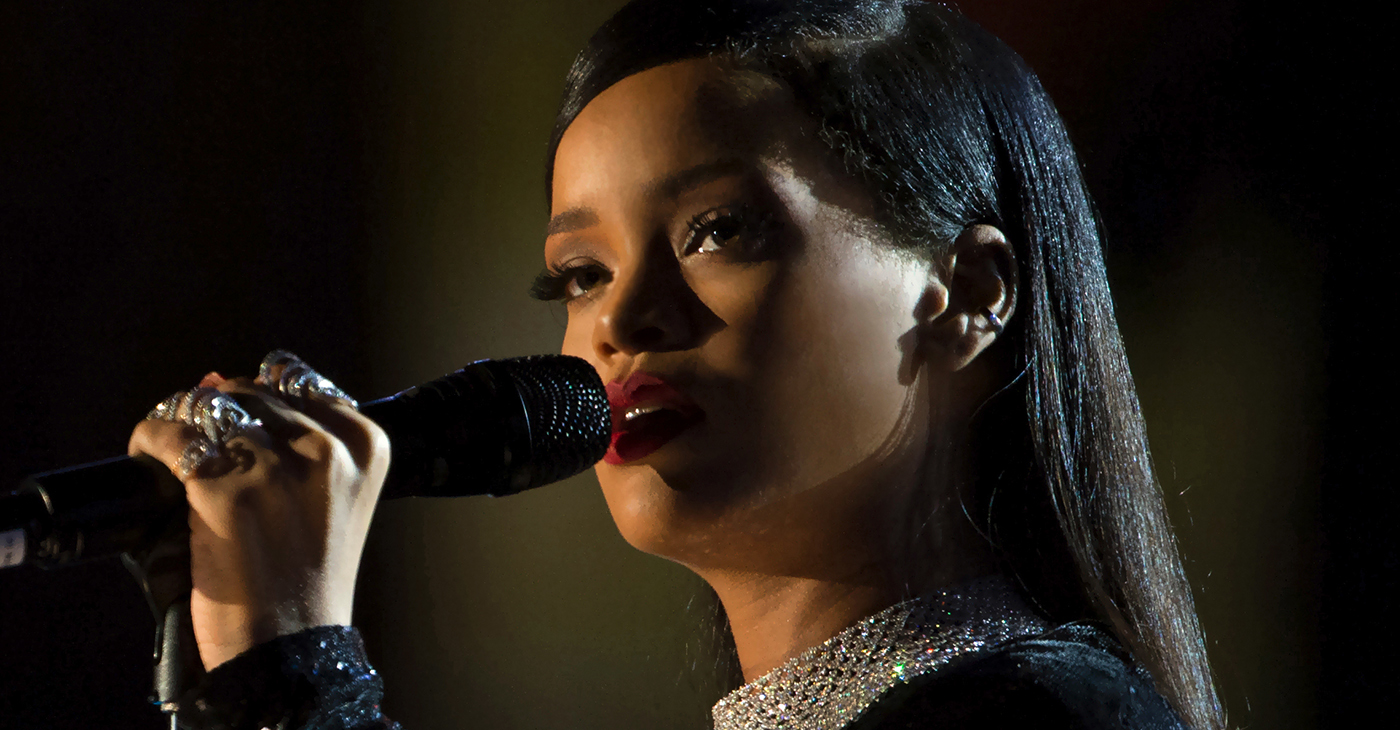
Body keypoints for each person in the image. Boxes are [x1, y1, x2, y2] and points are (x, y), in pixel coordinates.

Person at [127, 1, 1224, 728]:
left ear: (968, 294)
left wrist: (300, 676)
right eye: (578, 275)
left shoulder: (1043, 717)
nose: (623, 323)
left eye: (716, 231)